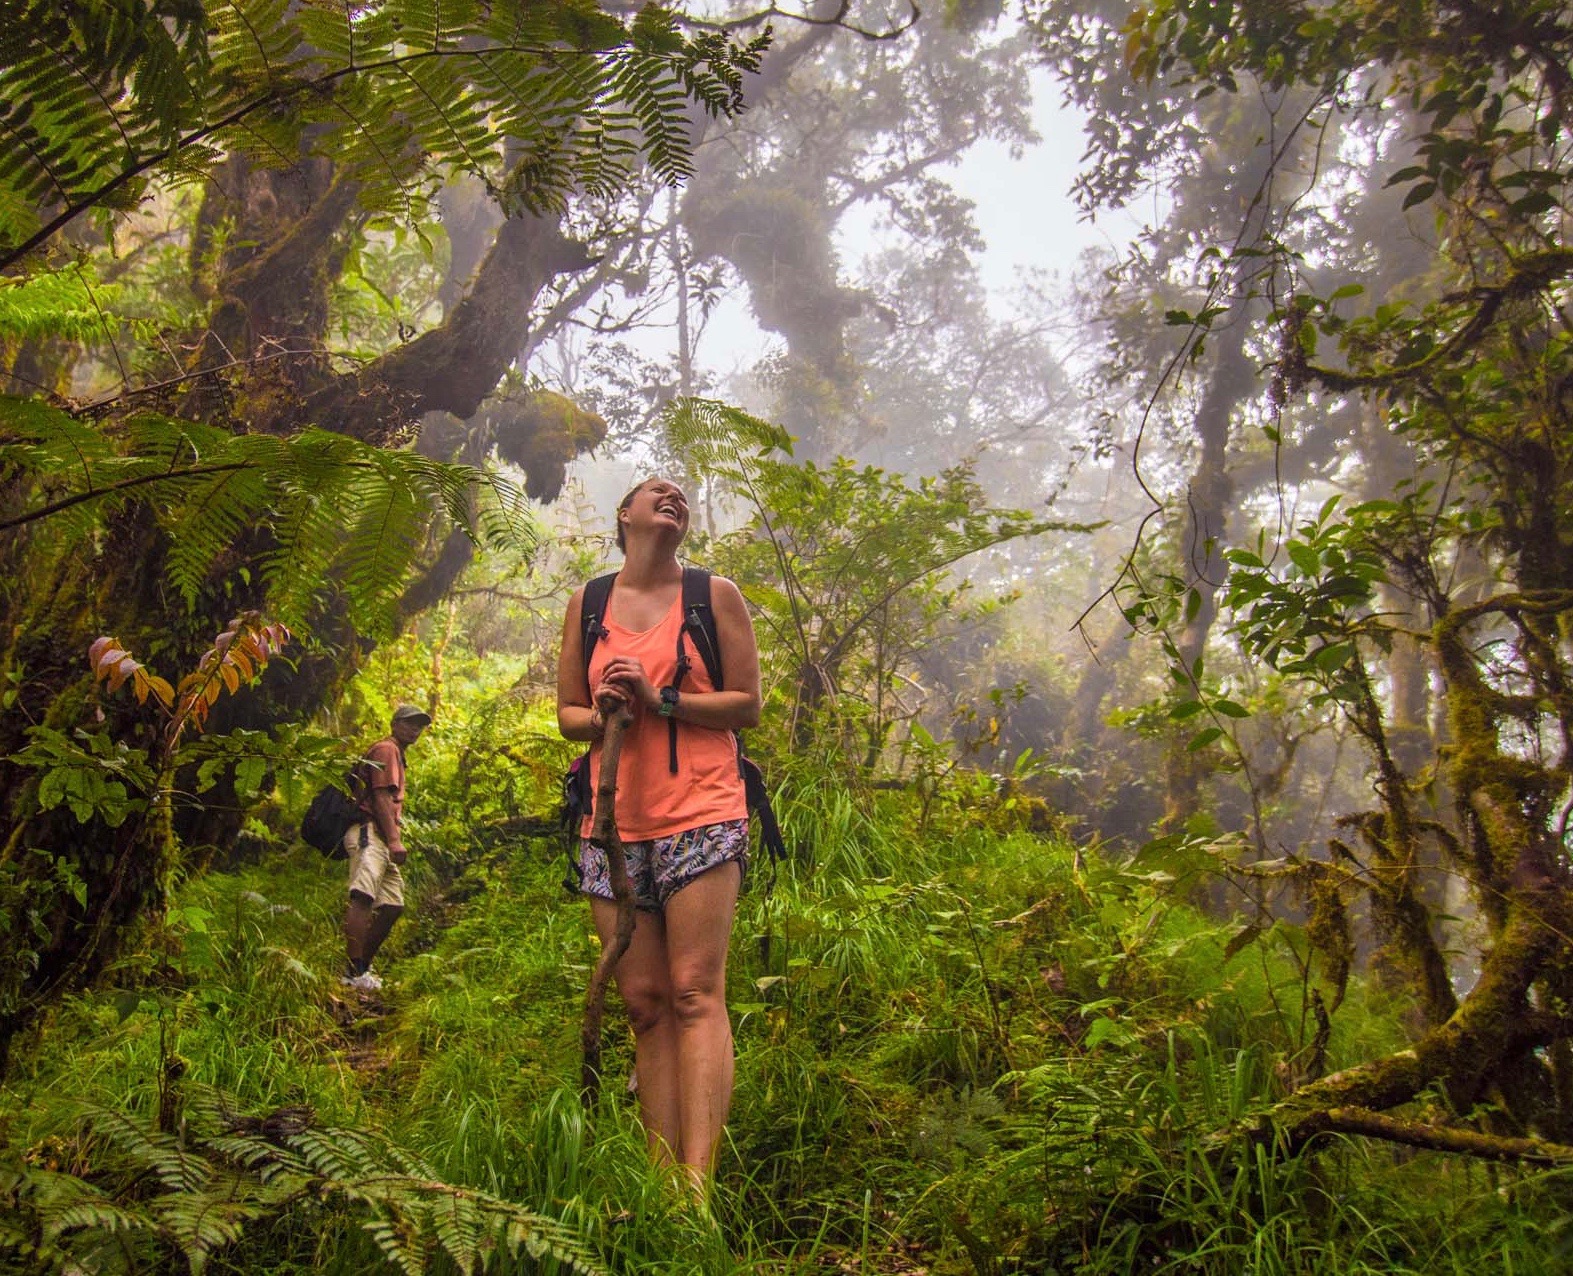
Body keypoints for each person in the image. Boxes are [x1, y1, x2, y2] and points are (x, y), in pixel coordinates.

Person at [556, 477, 762, 1192]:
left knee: (693, 991)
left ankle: (697, 1190)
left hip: (700, 811)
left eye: (680, 494)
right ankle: (661, 1183)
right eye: (654, 491)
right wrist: (606, 706)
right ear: (626, 515)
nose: (671, 497)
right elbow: (567, 717)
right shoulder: (588, 603)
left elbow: (746, 705)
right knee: (643, 1002)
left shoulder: (714, 596)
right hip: (611, 821)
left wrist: (659, 697)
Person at [341, 703, 431, 992]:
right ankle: (353, 973)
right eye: (409, 723)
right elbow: (380, 797)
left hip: (380, 835)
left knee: (392, 904)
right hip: (369, 831)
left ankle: (361, 968)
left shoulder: (397, 754)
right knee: (363, 896)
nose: (414, 729)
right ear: (394, 725)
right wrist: (394, 839)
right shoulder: (386, 750)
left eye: (419, 725)